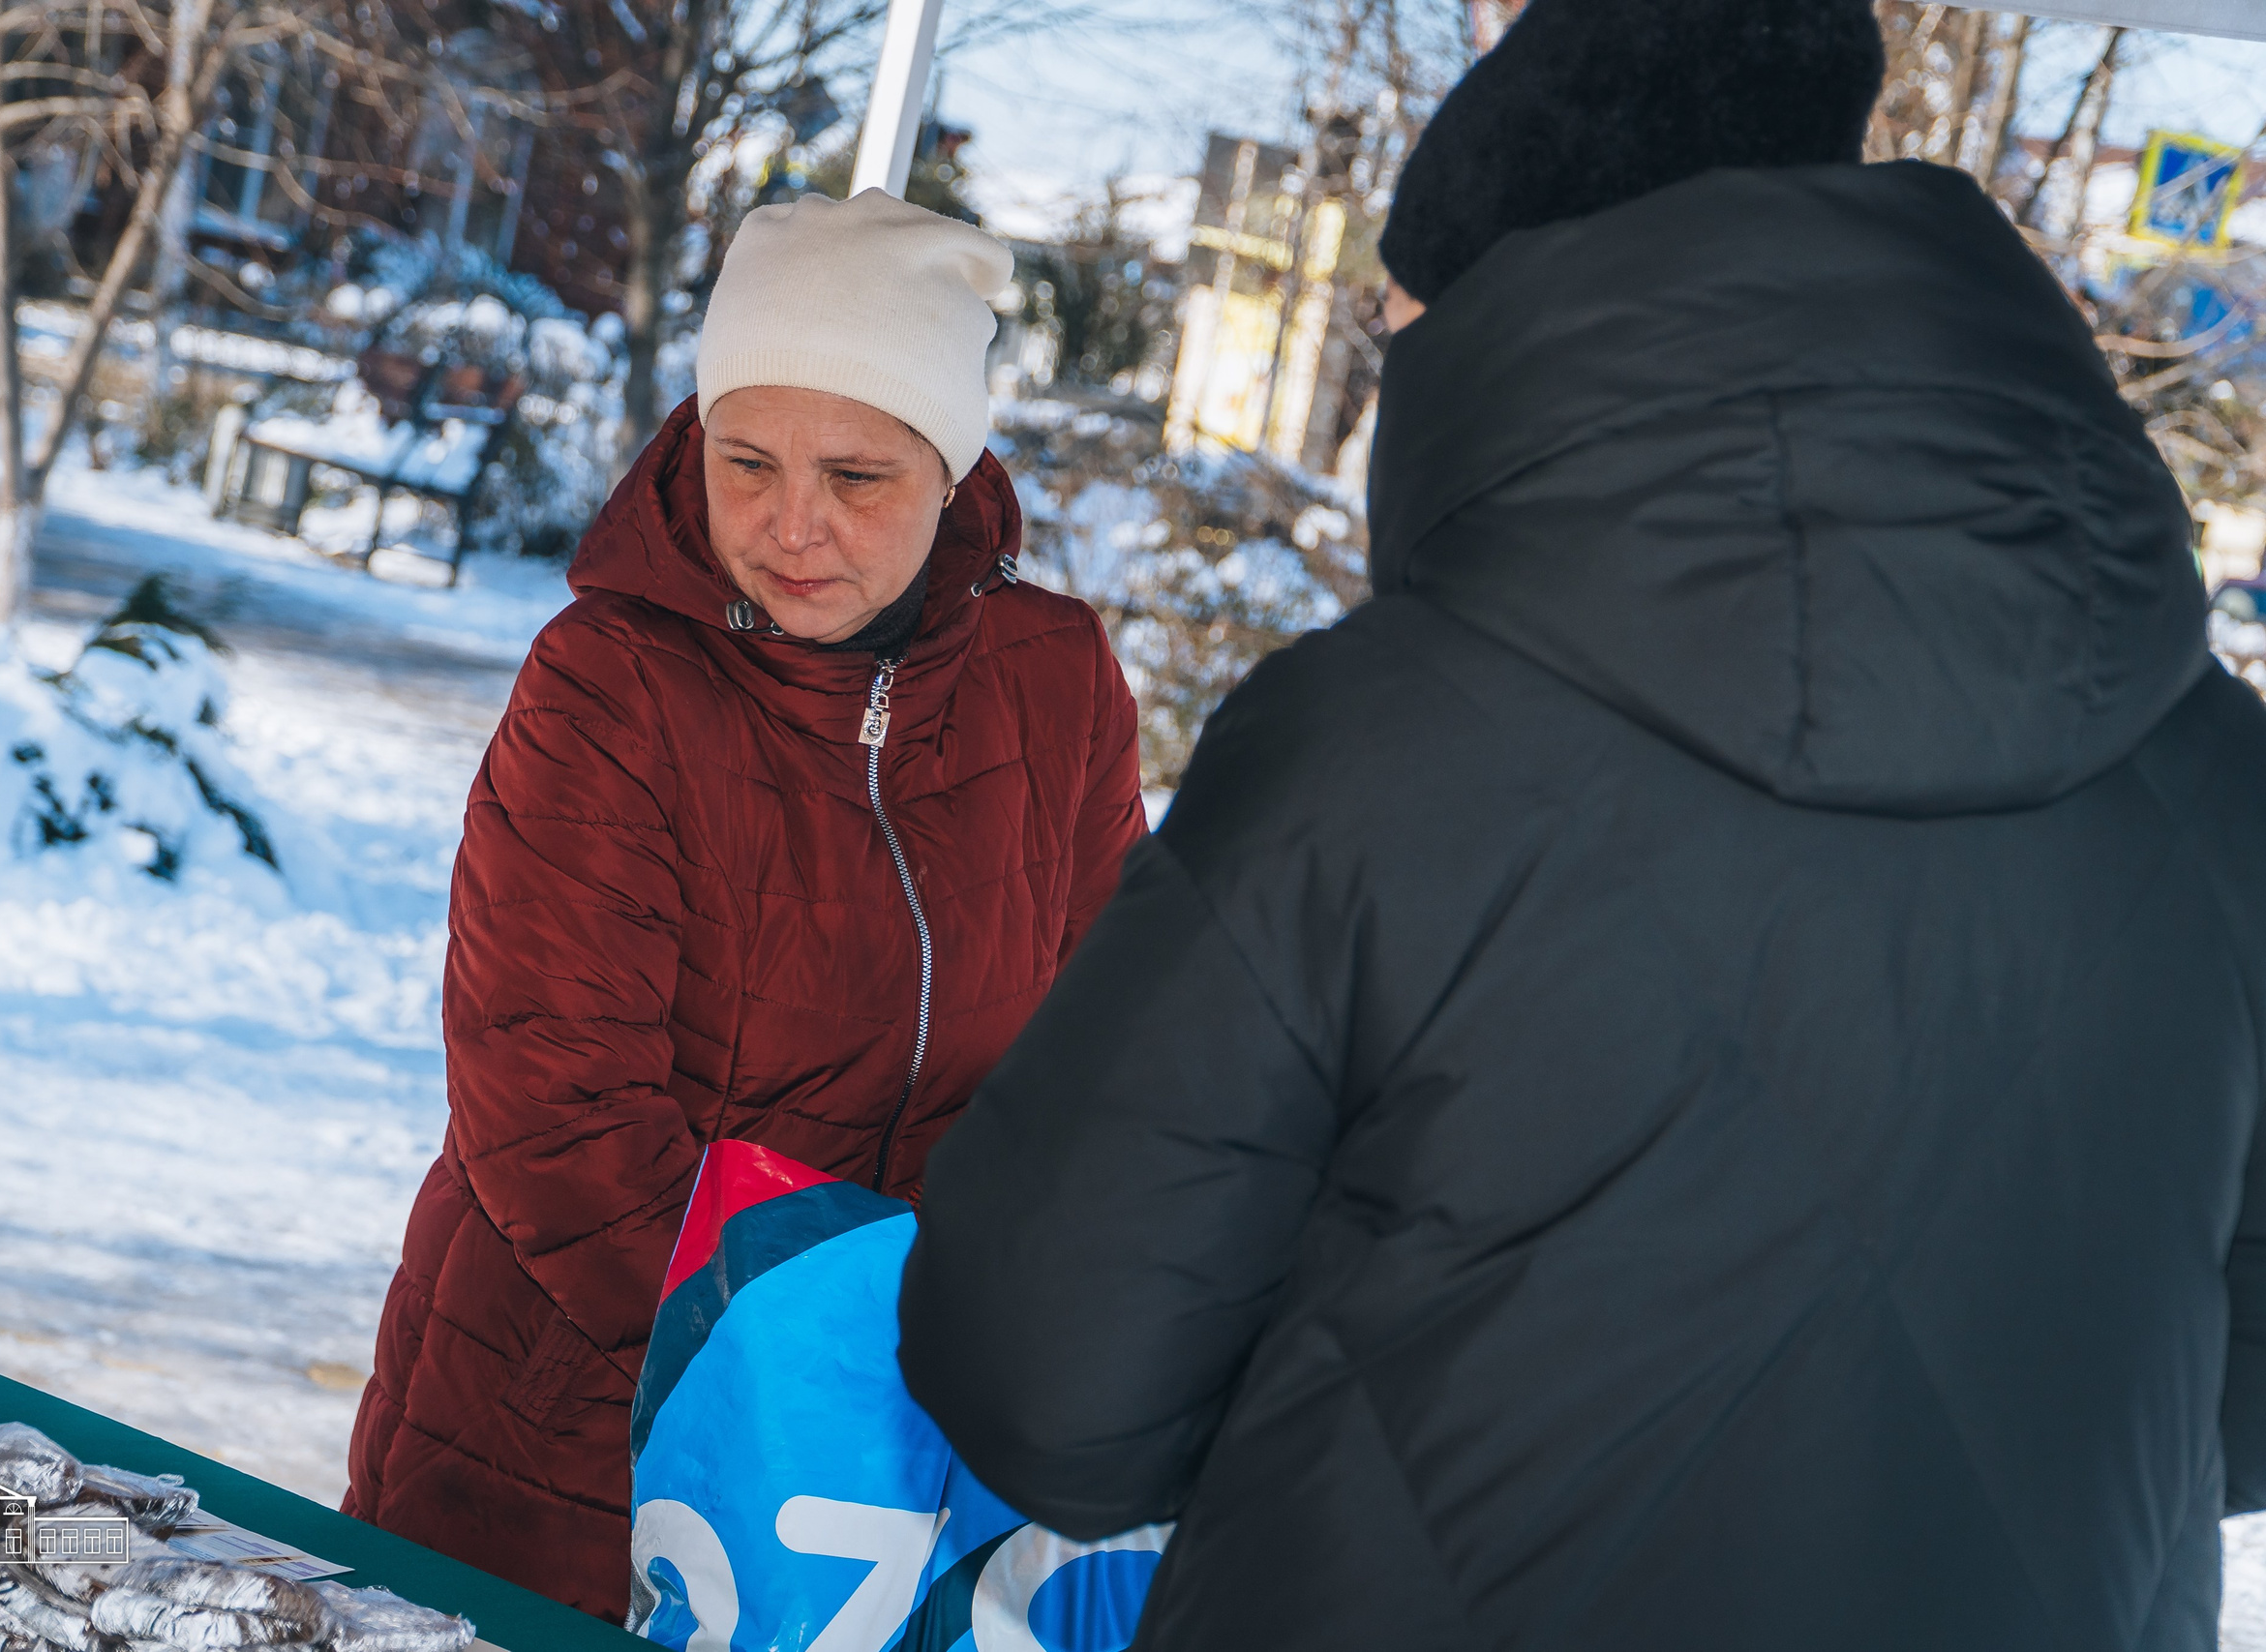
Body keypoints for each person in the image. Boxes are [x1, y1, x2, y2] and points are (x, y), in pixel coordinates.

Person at [896, 3, 2266, 1648]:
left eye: (1401, 322)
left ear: (1508, 326)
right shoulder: (2214, 769)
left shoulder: (1375, 745)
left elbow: (1045, 1379)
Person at [343, 188, 1147, 1620]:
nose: (791, 527)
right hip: (575, 1439)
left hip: (905, 1469)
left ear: (953, 470)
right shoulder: (611, 683)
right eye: (746, 460)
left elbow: (1102, 1067)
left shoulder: (1057, 681)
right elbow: (555, 1108)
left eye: (857, 477)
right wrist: (822, 1362)